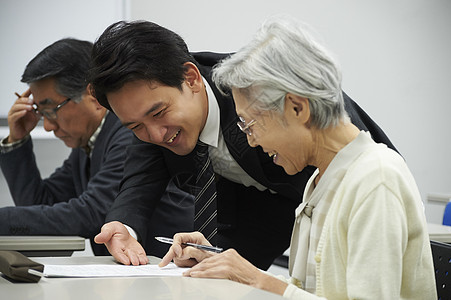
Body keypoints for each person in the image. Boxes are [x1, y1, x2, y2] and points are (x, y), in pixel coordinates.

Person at [158, 17, 437, 299]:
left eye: (251, 124)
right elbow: (311, 290)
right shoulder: (321, 180)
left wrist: (258, 280)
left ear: (296, 108)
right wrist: (228, 267)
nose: (251, 140)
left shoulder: (376, 178)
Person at [89, 20, 397, 269]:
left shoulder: (260, 89)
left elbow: (347, 152)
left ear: (192, 79)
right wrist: (124, 227)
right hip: (271, 221)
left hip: (349, 213)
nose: (155, 135)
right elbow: (140, 182)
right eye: (136, 126)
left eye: (158, 113)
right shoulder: (153, 124)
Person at [0, 38, 193, 257]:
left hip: (170, 273)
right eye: (40, 112)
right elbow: (39, 203)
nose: (48, 125)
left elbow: (92, 213)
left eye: (51, 110)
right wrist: (17, 139)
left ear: (93, 95)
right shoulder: (89, 144)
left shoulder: (130, 135)